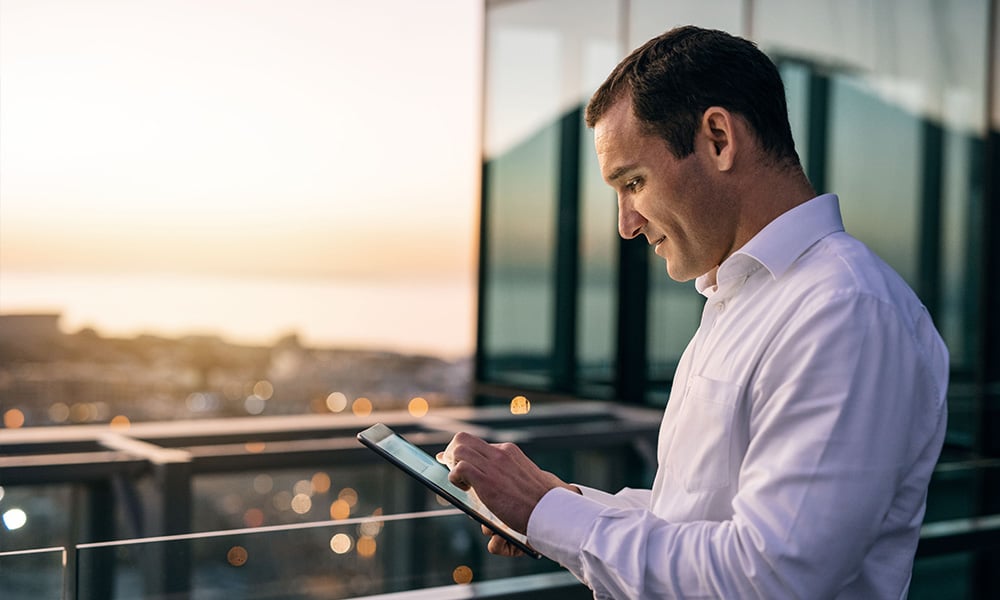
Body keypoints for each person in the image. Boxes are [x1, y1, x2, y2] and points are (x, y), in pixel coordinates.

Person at [441, 25, 948, 599]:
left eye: (633, 182)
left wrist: (548, 512)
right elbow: (694, 519)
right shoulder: (744, 301)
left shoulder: (845, 311)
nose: (625, 224)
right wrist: (563, 505)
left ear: (717, 138)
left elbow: (770, 576)